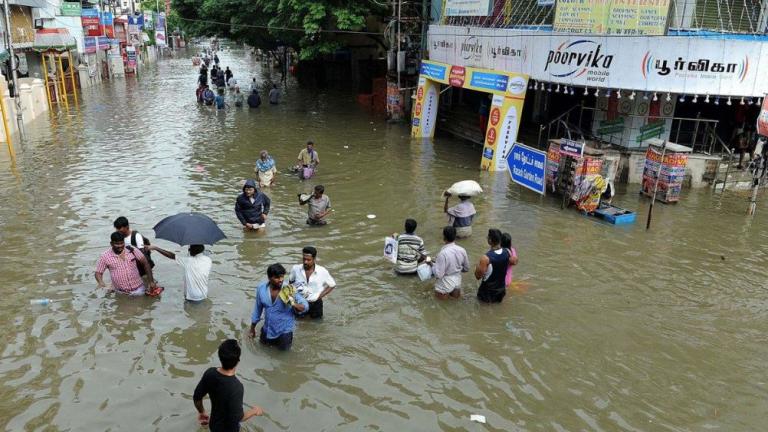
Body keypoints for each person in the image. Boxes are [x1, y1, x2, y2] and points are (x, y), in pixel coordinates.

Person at [193, 339, 264, 430]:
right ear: (238, 361)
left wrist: (202, 412)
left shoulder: (210, 373)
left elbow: (197, 397)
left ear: (220, 357)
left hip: (214, 426)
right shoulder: (236, 387)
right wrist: (254, 411)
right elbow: (239, 418)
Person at [249, 264, 308, 351]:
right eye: (277, 278)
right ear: (269, 278)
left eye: (282, 277)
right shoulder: (261, 289)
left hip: (284, 333)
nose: (280, 280)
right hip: (267, 330)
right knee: (262, 351)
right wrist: (252, 328)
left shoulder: (289, 289)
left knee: (283, 358)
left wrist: (292, 303)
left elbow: (305, 306)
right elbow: (257, 310)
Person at [95, 232, 159, 296]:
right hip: (121, 293)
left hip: (140, 289)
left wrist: (151, 282)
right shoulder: (105, 256)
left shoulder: (132, 250)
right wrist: (101, 282)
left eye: (122, 243)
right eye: (117, 244)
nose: (120, 246)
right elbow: (98, 273)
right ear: (111, 244)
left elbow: (146, 264)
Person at [288, 246, 336, 319]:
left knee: (317, 325)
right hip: (300, 303)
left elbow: (332, 285)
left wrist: (319, 296)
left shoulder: (322, 271)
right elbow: (291, 282)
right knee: (300, 323)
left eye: (308, 260)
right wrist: (292, 298)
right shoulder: (296, 269)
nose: (305, 262)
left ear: (314, 259)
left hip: (316, 304)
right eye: (304, 259)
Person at [474, 229, 518, 303]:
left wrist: (477, 267)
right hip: (501, 291)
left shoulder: (485, 258)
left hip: (487, 293)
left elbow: (477, 276)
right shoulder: (508, 252)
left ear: (490, 240)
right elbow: (514, 261)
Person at [430, 226, 470, 299]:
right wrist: (456, 269)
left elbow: (439, 275)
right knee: (455, 304)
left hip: (445, 283)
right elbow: (466, 268)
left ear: (444, 237)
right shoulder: (462, 250)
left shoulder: (442, 253)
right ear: (455, 237)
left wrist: (431, 265)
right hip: (457, 281)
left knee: (440, 306)